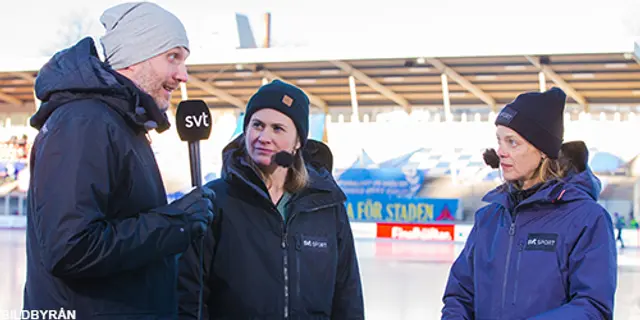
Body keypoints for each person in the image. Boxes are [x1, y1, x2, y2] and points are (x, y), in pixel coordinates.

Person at [23, 2, 215, 319]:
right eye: (173, 57)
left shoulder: (119, 125)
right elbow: (70, 248)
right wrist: (175, 224)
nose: (183, 75)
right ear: (134, 57)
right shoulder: (84, 123)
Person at [177, 80, 365, 319]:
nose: (264, 137)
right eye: (257, 125)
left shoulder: (326, 205)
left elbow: (347, 293)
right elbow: (190, 296)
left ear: (298, 141)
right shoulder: (214, 201)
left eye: (277, 128)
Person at [442, 87, 617, 319]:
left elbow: (593, 307)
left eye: (512, 142)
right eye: (499, 141)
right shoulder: (489, 219)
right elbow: (460, 295)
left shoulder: (587, 218)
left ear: (543, 150)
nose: (501, 152)